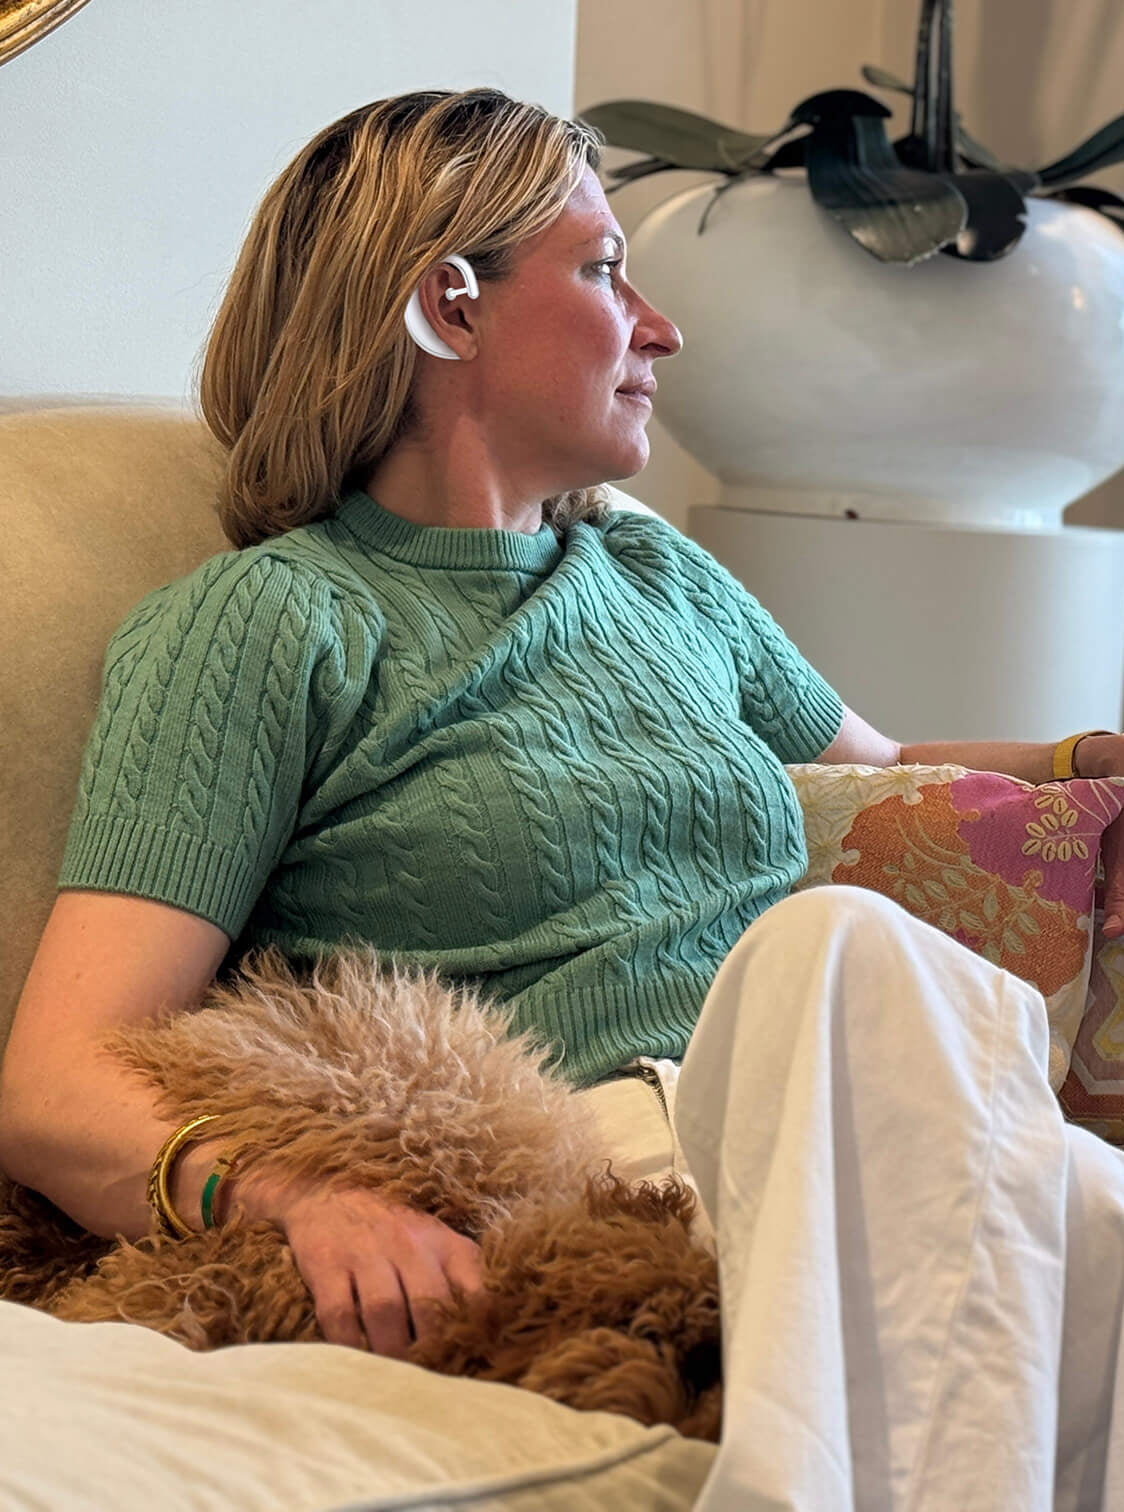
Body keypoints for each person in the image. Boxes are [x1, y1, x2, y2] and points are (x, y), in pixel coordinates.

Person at [4, 86, 1124, 1507]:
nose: (662, 327)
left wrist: (1094, 756)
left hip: (823, 1136)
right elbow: (53, 1078)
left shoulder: (655, 576)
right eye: (604, 271)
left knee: (1030, 1152)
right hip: (592, 1167)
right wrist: (296, 1198)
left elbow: (889, 770)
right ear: (446, 309)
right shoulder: (270, 623)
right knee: (840, 953)